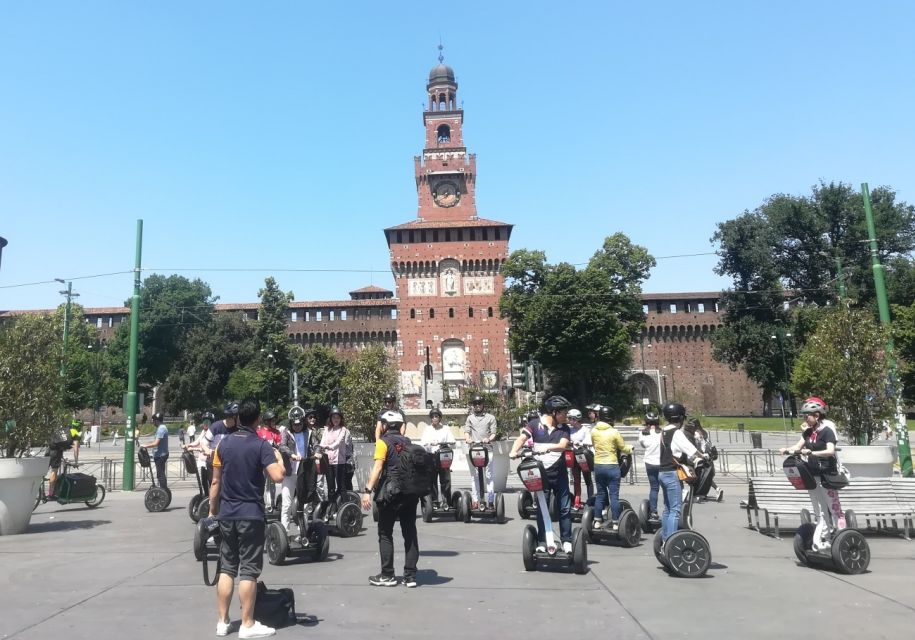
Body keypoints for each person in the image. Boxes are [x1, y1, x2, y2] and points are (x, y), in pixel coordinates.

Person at [208, 397, 285, 638]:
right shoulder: (261, 445)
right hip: (250, 514)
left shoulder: (223, 445)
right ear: (258, 419)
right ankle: (247, 623)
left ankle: (222, 622)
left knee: (227, 568)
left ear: (239, 417)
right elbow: (278, 476)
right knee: (249, 570)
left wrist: (212, 511)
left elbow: (215, 481)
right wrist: (278, 457)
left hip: (227, 514)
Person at [361, 409, 420, 588]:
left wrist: (367, 490)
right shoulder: (408, 442)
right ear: (401, 426)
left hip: (390, 492)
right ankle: (410, 576)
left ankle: (388, 575)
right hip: (409, 492)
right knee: (409, 532)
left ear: (385, 425)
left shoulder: (383, 442)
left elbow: (378, 468)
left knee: (385, 532)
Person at [509, 395, 573, 553]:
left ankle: (566, 540)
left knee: (564, 508)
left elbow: (563, 445)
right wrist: (513, 451)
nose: (567, 416)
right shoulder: (534, 424)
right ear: (554, 412)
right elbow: (522, 438)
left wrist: (548, 448)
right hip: (541, 474)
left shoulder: (564, 428)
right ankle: (543, 541)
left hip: (559, 474)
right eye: (564, 412)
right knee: (542, 508)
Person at [658, 402, 706, 548]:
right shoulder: (676, 433)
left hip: (662, 472)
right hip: (672, 473)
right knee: (675, 510)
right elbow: (690, 450)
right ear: (680, 417)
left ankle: (665, 538)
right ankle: (671, 543)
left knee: (667, 509)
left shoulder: (664, 430)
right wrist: (704, 456)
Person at [590, 405, 632, 529]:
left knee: (601, 494)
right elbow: (622, 447)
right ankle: (615, 522)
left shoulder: (594, 431)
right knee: (614, 496)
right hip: (612, 465)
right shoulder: (614, 432)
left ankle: (597, 521)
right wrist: (631, 449)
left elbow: (594, 445)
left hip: (598, 465)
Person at [779, 398, 839, 476]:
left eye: (807, 417)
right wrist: (786, 449)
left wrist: (812, 453)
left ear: (816, 416)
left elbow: (830, 451)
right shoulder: (808, 432)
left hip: (827, 473)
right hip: (813, 471)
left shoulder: (827, 431)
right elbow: (798, 446)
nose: (805, 419)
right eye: (803, 417)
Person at [463, 395, 497, 510]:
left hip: (488, 450)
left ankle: (491, 500)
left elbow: (493, 433)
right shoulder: (470, 418)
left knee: (489, 476)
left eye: (479, 403)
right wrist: (468, 439)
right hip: (475, 450)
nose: (477, 406)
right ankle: (476, 500)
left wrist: (489, 439)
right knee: (475, 476)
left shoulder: (490, 417)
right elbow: (467, 431)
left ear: (483, 405)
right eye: (475, 404)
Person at [278, 413, 309, 535]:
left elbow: (316, 445)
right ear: (291, 424)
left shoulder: (308, 433)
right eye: (294, 424)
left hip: (303, 472)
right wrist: (292, 455)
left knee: (304, 505)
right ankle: (284, 533)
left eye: (300, 424)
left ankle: (303, 531)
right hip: (290, 473)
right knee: (286, 504)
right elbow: (282, 446)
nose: (297, 426)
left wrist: (318, 452)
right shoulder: (286, 433)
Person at [420, 408, 457, 509]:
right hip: (431, 457)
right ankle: (435, 501)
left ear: (440, 418)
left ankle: (446, 501)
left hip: (443, 457)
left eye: (436, 416)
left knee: (445, 480)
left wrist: (447, 444)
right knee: (432, 480)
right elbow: (423, 444)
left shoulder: (445, 429)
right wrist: (429, 444)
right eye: (432, 417)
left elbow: (453, 443)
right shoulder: (427, 429)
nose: (434, 418)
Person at [319, 407, 352, 505]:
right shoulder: (327, 430)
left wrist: (329, 447)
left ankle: (346, 507)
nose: (336, 420)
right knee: (330, 487)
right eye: (334, 418)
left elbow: (338, 442)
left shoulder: (343, 430)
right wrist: (319, 449)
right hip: (328, 461)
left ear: (341, 419)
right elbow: (322, 442)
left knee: (341, 486)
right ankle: (331, 507)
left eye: (338, 418)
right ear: (330, 419)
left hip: (339, 462)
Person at [690, 419, 723, 502]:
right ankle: (705, 493)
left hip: (701, 458)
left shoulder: (696, 434)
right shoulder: (704, 432)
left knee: (700, 477)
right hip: (709, 458)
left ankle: (698, 494)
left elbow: (698, 447)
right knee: (706, 477)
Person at [567, 408, 593, 507]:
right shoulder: (570, 430)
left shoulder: (585, 430)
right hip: (573, 457)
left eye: (570, 419)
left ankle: (590, 501)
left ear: (575, 419)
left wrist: (580, 443)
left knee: (588, 479)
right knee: (576, 480)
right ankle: (577, 501)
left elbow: (589, 443)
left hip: (583, 457)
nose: (569, 420)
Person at [639, 411, 663, 520]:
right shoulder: (662, 433)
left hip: (649, 463)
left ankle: (654, 511)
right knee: (666, 487)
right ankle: (669, 510)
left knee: (654, 488)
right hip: (662, 463)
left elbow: (643, 445)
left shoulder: (642, 433)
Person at [256, 411, 282, 510]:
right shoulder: (260, 432)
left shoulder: (277, 432)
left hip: (273, 460)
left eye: (275, 420)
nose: (274, 422)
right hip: (263, 462)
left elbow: (279, 444)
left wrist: (276, 446)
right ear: (267, 421)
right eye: (272, 420)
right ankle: (266, 505)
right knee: (264, 483)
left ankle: (273, 502)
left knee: (273, 483)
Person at [140, 412, 170, 490]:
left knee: (160, 474)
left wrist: (145, 445)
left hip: (161, 455)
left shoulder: (161, 429)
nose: (153, 422)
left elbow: (156, 443)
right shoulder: (161, 428)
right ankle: (164, 490)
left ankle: (164, 490)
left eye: (153, 421)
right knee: (160, 473)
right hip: (160, 454)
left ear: (157, 421)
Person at [46, 422, 75, 498]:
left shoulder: (55, 430)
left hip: (48, 451)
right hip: (56, 454)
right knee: (54, 471)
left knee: (44, 471)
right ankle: (51, 493)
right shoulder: (68, 432)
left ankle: (38, 489)